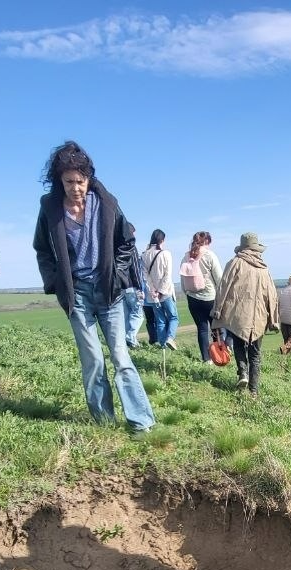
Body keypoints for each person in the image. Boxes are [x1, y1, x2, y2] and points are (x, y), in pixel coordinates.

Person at [32, 140, 155, 432]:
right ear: (59, 180)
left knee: (121, 358)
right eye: (69, 181)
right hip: (78, 296)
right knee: (93, 361)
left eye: (80, 181)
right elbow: (42, 250)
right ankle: (104, 424)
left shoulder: (107, 203)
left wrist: (119, 275)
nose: (75, 187)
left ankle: (141, 423)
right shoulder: (50, 208)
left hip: (108, 292)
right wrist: (56, 282)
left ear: (89, 178)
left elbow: (126, 242)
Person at [212, 232, 279, 395]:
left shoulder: (234, 263)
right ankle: (254, 391)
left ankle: (243, 372)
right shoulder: (264, 269)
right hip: (259, 316)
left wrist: (217, 308)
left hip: (238, 314)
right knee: (255, 353)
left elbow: (223, 287)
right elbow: (272, 295)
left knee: (239, 345)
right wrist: (274, 319)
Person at [181, 231, 227, 362]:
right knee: (216, 329)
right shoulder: (210, 255)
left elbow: (182, 278)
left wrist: (188, 293)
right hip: (209, 297)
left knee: (201, 329)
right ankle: (220, 357)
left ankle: (207, 359)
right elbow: (219, 278)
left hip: (192, 299)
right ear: (207, 241)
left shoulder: (186, 256)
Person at [143, 229, 179, 350]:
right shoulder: (165, 254)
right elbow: (167, 275)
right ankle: (170, 338)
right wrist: (161, 291)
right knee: (173, 317)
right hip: (165, 293)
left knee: (160, 321)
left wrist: (153, 291)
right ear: (162, 240)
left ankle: (163, 347)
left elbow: (145, 276)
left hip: (153, 296)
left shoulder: (145, 254)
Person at [122, 222, 146, 350]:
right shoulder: (132, 248)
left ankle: (127, 340)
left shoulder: (116, 248)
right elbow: (136, 269)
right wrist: (140, 287)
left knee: (126, 315)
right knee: (138, 314)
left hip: (121, 287)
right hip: (132, 286)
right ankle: (131, 337)